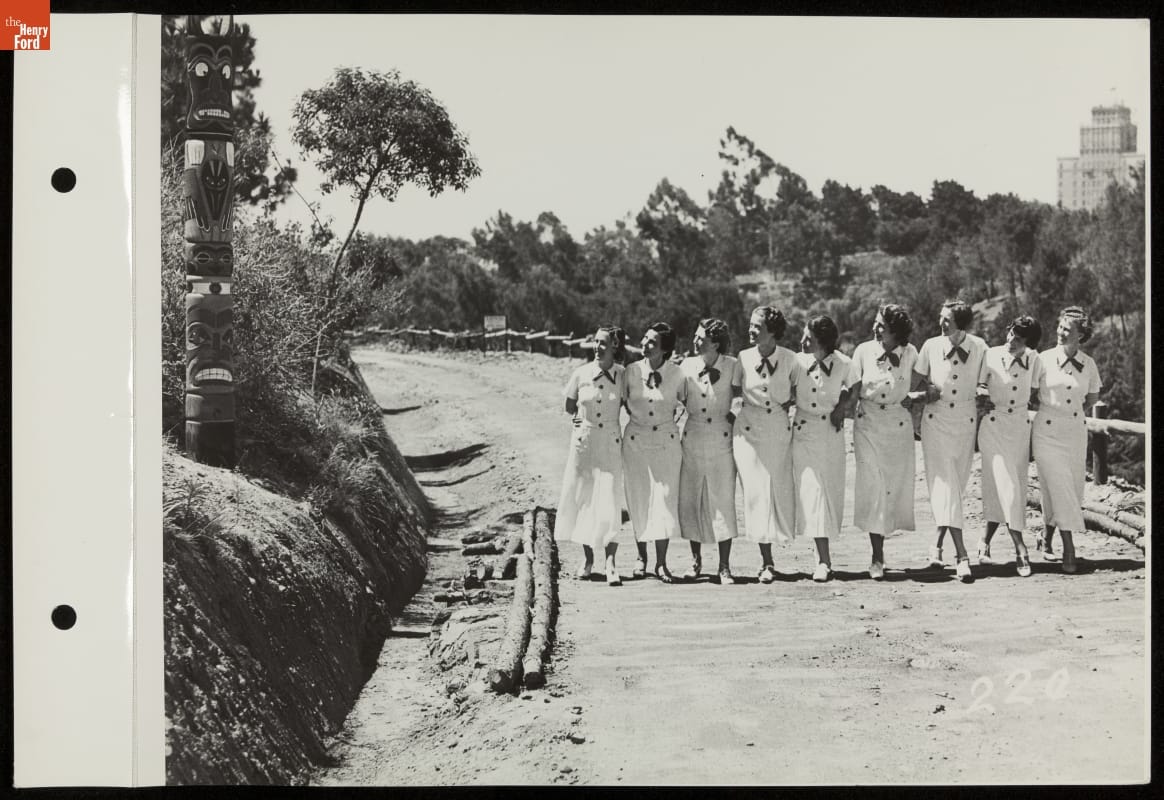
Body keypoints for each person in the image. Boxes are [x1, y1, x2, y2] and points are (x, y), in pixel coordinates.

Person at [553, 326, 628, 586]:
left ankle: (611, 564)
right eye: (595, 342)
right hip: (584, 444)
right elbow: (569, 405)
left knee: (610, 501)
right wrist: (577, 419)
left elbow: (634, 404)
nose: (597, 347)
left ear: (615, 346)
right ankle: (588, 560)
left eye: (603, 343)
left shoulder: (623, 375)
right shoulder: (581, 373)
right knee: (584, 499)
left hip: (610, 444)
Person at [848, 304, 919, 580]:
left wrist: (916, 397)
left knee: (891, 489)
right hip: (867, 425)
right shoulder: (863, 351)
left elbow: (926, 382)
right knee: (874, 486)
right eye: (876, 323)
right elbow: (852, 387)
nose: (876, 329)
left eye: (882, 326)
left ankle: (883, 547)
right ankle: (877, 557)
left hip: (898, 427)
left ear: (897, 331)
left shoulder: (911, 354)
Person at [1032, 307, 1103, 573]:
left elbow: (1092, 397)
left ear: (1080, 335)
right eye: (1060, 327)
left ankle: (1046, 536)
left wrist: (1071, 414)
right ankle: (1069, 548)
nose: (1061, 332)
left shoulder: (1089, 364)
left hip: (1074, 433)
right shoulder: (1043, 359)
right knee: (1058, 483)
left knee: (1067, 488)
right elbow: (1030, 392)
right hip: (1047, 431)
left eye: (1067, 329)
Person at [733, 306, 799, 582]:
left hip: (777, 431)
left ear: (772, 331)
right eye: (750, 325)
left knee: (776, 490)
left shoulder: (791, 359)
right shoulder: (743, 357)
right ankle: (766, 562)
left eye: (757, 326)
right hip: (748, 432)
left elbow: (800, 390)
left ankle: (776, 550)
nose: (750, 330)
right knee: (756, 492)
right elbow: (732, 391)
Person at [975, 315, 1044, 577]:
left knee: (1007, 487)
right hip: (993, 426)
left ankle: (984, 542)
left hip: (1019, 429)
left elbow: (1037, 392)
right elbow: (979, 385)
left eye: (1019, 338)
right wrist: (982, 395)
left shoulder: (1035, 360)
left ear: (1029, 342)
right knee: (1008, 486)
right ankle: (1020, 548)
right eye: (1011, 333)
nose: (1011, 340)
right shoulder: (991, 355)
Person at [678, 318, 742, 584]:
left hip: (721, 438)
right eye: (695, 336)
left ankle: (724, 566)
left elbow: (745, 396)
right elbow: (675, 397)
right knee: (692, 497)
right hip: (692, 436)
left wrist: (736, 418)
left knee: (722, 499)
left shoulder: (733, 366)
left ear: (715, 343)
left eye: (701, 338)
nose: (695, 341)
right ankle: (695, 561)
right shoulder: (686, 365)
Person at [622, 323, 686, 582]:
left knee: (664, 500)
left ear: (665, 349)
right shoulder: (631, 371)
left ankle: (661, 563)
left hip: (666, 444)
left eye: (652, 342)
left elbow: (691, 401)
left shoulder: (678, 374)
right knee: (639, 498)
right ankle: (641, 558)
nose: (645, 344)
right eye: (645, 339)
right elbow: (620, 401)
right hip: (636, 442)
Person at [791, 315, 853, 582]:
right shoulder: (796, 362)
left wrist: (842, 406)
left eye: (808, 337)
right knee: (812, 493)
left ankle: (822, 558)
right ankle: (823, 561)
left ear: (822, 341)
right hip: (803, 433)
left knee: (828, 492)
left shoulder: (844, 363)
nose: (802, 341)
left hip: (830, 433)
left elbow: (855, 385)